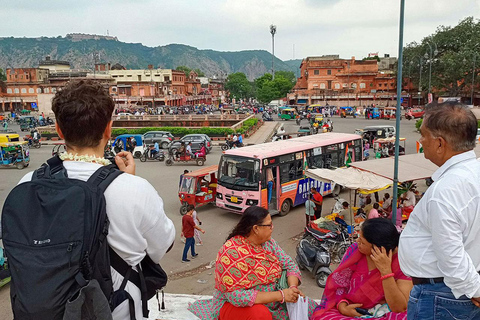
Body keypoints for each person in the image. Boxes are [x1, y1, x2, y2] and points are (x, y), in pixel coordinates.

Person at [17, 80, 175, 320]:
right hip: (113, 311)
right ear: (108, 130)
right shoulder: (135, 189)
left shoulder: (27, 183)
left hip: (46, 309)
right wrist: (126, 182)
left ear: (59, 130)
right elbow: (161, 246)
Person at [399, 102, 480, 319]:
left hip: (443, 296)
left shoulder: (445, 191)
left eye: (424, 136)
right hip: (457, 290)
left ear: (440, 144)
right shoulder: (474, 172)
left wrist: (476, 290)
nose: (421, 141)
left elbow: (450, 255)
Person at [188, 206, 318, 319]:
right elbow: (237, 297)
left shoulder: (269, 243)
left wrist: (292, 288)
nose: (272, 228)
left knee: (311, 309)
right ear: (256, 229)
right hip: (237, 305)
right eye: (269, 225)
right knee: (260, 315)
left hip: (274, 300)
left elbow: (289, 264)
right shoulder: (231, 252)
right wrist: (281, 295)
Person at [311, 218, 412, 319]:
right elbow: (339, 286)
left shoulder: (402, 262)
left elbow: (399, 307)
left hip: (382, 313)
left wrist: (385, 272)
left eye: (362, 242)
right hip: (348, 309)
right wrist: (342, 307)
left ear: (378, 248)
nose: (357, 241)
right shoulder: (354, 251)